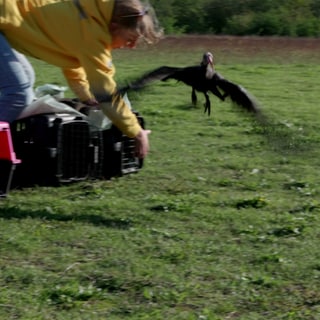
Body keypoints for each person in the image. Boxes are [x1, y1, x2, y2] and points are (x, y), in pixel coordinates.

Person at [0, 0, 162, 158]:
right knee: (18, 94)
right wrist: (136, 132)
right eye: (130, 40)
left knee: (26, 78)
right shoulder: (93, 35)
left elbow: (71, 61)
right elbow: (105, 93)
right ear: (114, 27)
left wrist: (86, 97)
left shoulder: (88, 17)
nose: (131, 46)